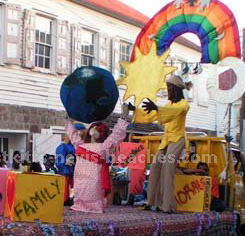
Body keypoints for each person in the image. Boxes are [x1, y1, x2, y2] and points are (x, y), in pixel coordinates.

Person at [141, 75, 192, 213]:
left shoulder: (183, 105)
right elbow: (156, 114)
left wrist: (157, 108)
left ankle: (168, 205)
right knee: (155, 167)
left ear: (176, 90)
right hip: (166, 140)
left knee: (168, 170)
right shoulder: (169, 105)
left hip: (178, 139)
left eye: (170, 88)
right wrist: (136, 110)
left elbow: (172, 113)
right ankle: (151, 202)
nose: (168, 91)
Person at [66, 103, 129, 213]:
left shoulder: (103, 146)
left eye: (97, 129)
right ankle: (80, 204)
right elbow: (73, 135)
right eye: (93, 128)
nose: (93, 130)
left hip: (95, 179)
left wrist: (123, 117)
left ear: (101, 133)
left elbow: (116, 135)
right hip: (81, 179)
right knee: (81, 191)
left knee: (93, 192)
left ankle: (93, 206)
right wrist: (67, 120)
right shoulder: (81, 145)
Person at [56, 134, 76, 205]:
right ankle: (65, 199)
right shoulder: (62, 147)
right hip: (65, 170)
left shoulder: (72, 146)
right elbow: (60, 159)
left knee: (71, 186)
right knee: (65, 185)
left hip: (71, 169)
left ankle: (69, 199)